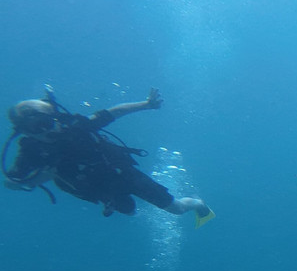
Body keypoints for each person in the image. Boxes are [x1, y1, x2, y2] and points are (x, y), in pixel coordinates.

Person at [3, 87, 214, 225]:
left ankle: (197, 203)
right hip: (99, 190)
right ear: (25, 133)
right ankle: (144, 216)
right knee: (130, 212)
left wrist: (146, 104)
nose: (44, 132)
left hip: (123, 174)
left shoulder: (76, 127)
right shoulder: (30, 151)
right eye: (33, 129)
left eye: (45, 124)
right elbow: (14, 179)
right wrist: (13, 182)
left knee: (176, 209)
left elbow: (113, 112)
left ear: (55, 117)